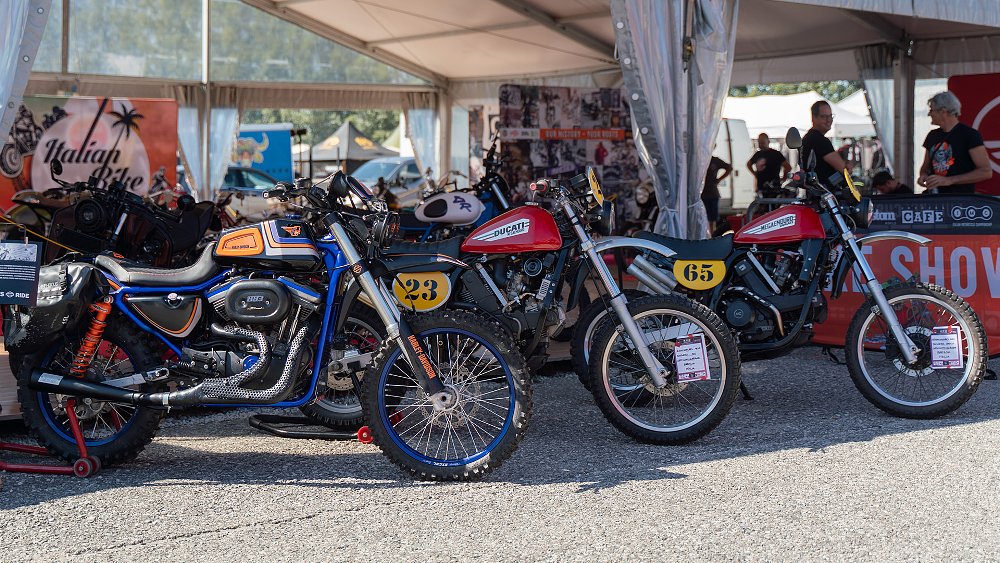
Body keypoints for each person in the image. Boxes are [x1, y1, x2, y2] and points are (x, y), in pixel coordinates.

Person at [917, 91, 992, 194]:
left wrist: (950, 180)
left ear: (943, 112)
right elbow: (925, 167)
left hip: (960, 199)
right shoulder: (932, 135)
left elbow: (986, 172)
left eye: (932, 110)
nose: (929, 114)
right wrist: (923, 175)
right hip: (934, 197)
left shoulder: (970, 135)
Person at [801, 100, 848, 186]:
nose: (829, 120)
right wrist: (849, 164)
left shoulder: (809, 137)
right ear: (813, 118)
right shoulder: (818, 140)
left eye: (830, 116)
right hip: (824, 194)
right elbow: (844, 169)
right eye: (824, 116)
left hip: (816, 192)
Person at [746, 133, 791, 197]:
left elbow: (788, 167)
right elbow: (748, 164)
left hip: (774, 187)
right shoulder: (757, 154)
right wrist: (755, 174)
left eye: (763, 142)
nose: (761, 145)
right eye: (759, 143)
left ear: (768, 142)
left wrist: (783, 179)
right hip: (761, 187)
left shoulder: (776, 154)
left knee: (773, 204)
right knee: (761, 205)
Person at [703, 154, 732, 235]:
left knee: (712, 218)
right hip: (702, 195)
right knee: (704, 217)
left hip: (712, 193)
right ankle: (706, 234)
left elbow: (729, 168)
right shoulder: (700, 158)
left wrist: (719, 179)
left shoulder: (715, 160)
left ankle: (712, 235)